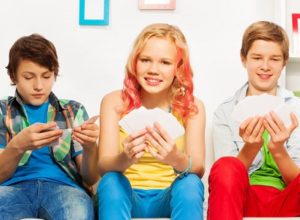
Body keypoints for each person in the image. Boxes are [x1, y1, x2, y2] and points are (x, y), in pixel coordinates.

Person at [97, 23, 205, 220]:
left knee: (191, 183)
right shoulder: (113, 102)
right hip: (126, 195)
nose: (153, 70)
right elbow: (103, 166)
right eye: (145, 60)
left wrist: (175, 158)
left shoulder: (192, 107)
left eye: (165, 62)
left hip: (169, 197)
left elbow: (197, 167)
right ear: (134, 63)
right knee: (110, 181)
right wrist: (126, 157)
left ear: (178, 68)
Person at [0, 34, 99, 220]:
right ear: (13, 75)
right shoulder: (2, 111)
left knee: (78, 213)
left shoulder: (72, 110)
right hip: (11, 189)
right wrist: (18, 146)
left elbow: (90, 178)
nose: (39, 86)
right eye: (29, 77)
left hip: (64, 190)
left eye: (46, 76)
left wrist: (91, 146)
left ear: (54, 73)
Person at [207, 21, 300, 219]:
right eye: (257, 57)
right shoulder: (225, 111)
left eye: (274, 59)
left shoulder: (296, 109)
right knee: (226, 166)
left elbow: (296, 181)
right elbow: (225, 179)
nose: (265, 66)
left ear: (284, 62)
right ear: (244, 59)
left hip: (287, 200)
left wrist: (278, 149)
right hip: (243, 198)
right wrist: (250, 148)